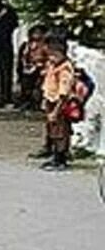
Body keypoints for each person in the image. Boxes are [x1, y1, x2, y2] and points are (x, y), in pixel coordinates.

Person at [41, 34, 76, 171]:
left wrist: (56, 111)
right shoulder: (52, 65)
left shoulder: (65, 69)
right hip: (51, 101)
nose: (51, 57)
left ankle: (61, 159)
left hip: (59, 104)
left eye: (54, 54)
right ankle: (55, 155)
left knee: (61, 132)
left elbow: (64, 93)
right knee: (53, 131)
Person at [15, 23, 49, 111]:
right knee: (26, 84)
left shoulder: (46, 45)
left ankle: (39, 102)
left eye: (39, 33)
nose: (36, 35)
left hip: (43, 68)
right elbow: (22, 57)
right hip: (29, 67)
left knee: (40, 86)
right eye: (35, 33)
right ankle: (26, 101)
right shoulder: (26, 45)